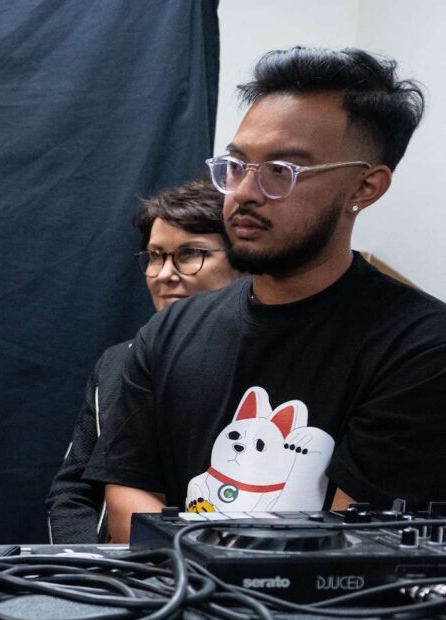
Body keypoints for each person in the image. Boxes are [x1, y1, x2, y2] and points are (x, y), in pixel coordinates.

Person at [88, 47, 446, 542]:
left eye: (282, 170)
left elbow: (353, 542)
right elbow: (127, 492)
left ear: (364, 188)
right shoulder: (170, 330)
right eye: (236, 165)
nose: (244, 193)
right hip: (172, 609)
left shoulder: (421, 346)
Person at [44, 179, 240, 543]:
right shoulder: (118, 362)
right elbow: (72, 492)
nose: (165, 274)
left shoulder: (262, 360)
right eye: (155, 256)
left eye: (189, 254)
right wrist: (91, 568)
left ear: (243, 262)